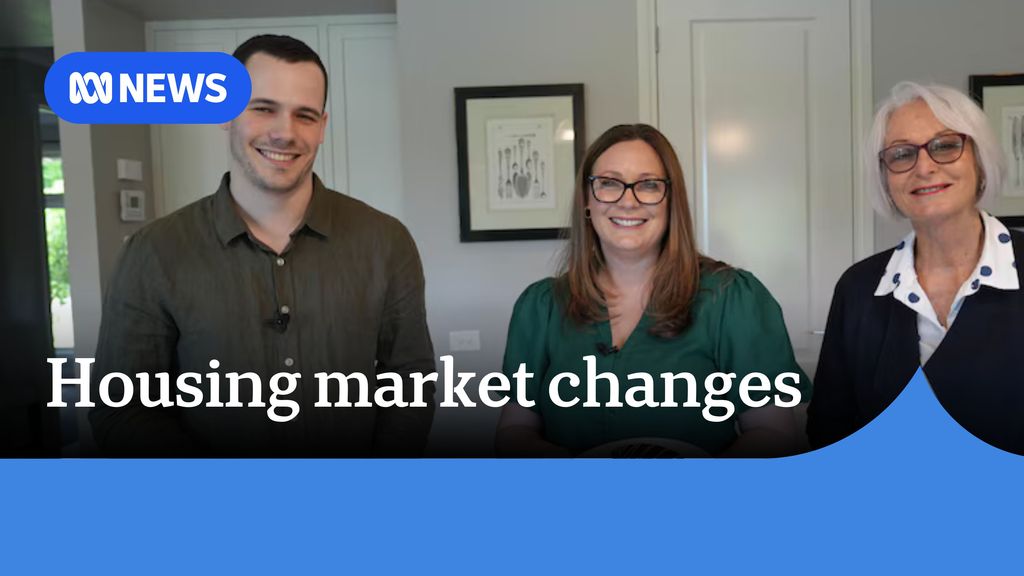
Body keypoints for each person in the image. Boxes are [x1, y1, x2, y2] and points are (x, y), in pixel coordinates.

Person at [89, 35, 435, 456]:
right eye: (263, 108)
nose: (284, 133)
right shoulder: (152, 252)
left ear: (322, 127)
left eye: (304, 115)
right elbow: (122, 410)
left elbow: (410, 383)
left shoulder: (386, 242)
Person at [495, 124, 809, 457]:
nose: (628, 201)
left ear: (671, 201)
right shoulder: (541, 306)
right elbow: (514, 430)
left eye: (648, 185)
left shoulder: (733, 299)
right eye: (608, 183)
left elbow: (772, 433)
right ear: (587, 201)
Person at [808, 81, 1024, 454]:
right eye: (902, 154)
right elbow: (831, 432)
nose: (924, 167)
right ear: (886, 178)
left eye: (945, 146)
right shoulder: (859, 288)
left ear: (980, 161)